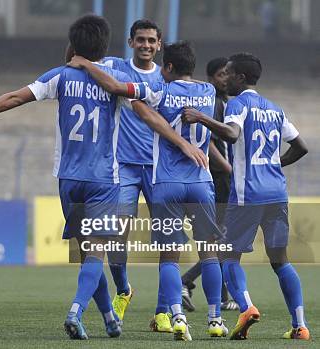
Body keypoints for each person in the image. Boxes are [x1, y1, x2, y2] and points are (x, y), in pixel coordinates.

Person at [0, 15, 207, 340]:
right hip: (105, 179)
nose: (147, 46)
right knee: (98, 252)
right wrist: (182, 143)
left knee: (87, 252)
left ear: (72, 45)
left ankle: (110, 316)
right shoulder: (119, 76)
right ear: (110, 46)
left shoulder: (61, 76)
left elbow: (14, 98)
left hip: (69, 177)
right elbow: (147, 110)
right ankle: (83, 310)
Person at [70, 41, 227, 341]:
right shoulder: (208, 92)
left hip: (167, 183)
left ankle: (177, 317)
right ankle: (215, 319)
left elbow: (119, 89)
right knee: (209, 253)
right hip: (201, 182)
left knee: (170, 256)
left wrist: (87, 64)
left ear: (167, 68)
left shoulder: (160, 91)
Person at [181, 52, 310, 340]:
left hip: (247, 195)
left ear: (240, 77)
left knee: (228, 257)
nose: (223, 77)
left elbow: (231, 134)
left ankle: (246, 307)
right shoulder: (275, 109)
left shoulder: (237, 104)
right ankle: (300, 325)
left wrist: (200, 117)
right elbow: (301, 146)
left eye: (227, 73)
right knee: (281, 261)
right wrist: (275, 164)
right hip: (277, 194)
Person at [100, 19, 166, 329]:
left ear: (159, 44)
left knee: (168, 238)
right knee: (116, 236)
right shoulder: (113, 66)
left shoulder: (165, 79)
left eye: (151, 41)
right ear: (131, 42)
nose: (146, 45)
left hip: (157, 167)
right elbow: (81, 58)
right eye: (141, 40)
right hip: (123, 166)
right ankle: (124, 290)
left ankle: (163, 310)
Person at [181, 57, 239, 313]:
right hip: (217, 179)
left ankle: (193, 283)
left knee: (221, 239)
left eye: (228, 73)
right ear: (211, 78)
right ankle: (188, 282)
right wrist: (228, 168)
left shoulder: (227, 102)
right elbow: (212, 142)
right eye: (221, 74)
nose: (225, 78)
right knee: (219, 240)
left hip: (225, 180)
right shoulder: (213, 102)